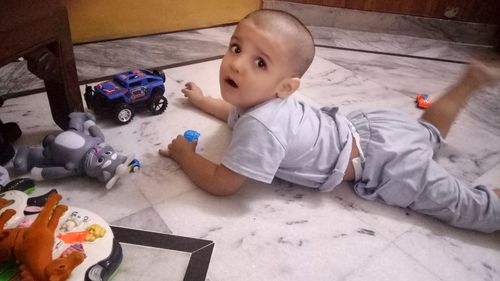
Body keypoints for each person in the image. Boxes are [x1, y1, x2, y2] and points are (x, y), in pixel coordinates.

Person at [159, 9, 500, 233]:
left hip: (388, 164)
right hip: (375, 127)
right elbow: (232, 114)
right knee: (426, 132)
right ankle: (468, 83)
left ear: (286, 87)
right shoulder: (259, 101)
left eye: (260, 62)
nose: (236, 65)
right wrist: (204, 101)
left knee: (471, 208)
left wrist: (185, 155)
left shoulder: (262, 128)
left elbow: (223, 183)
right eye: (236, 48)